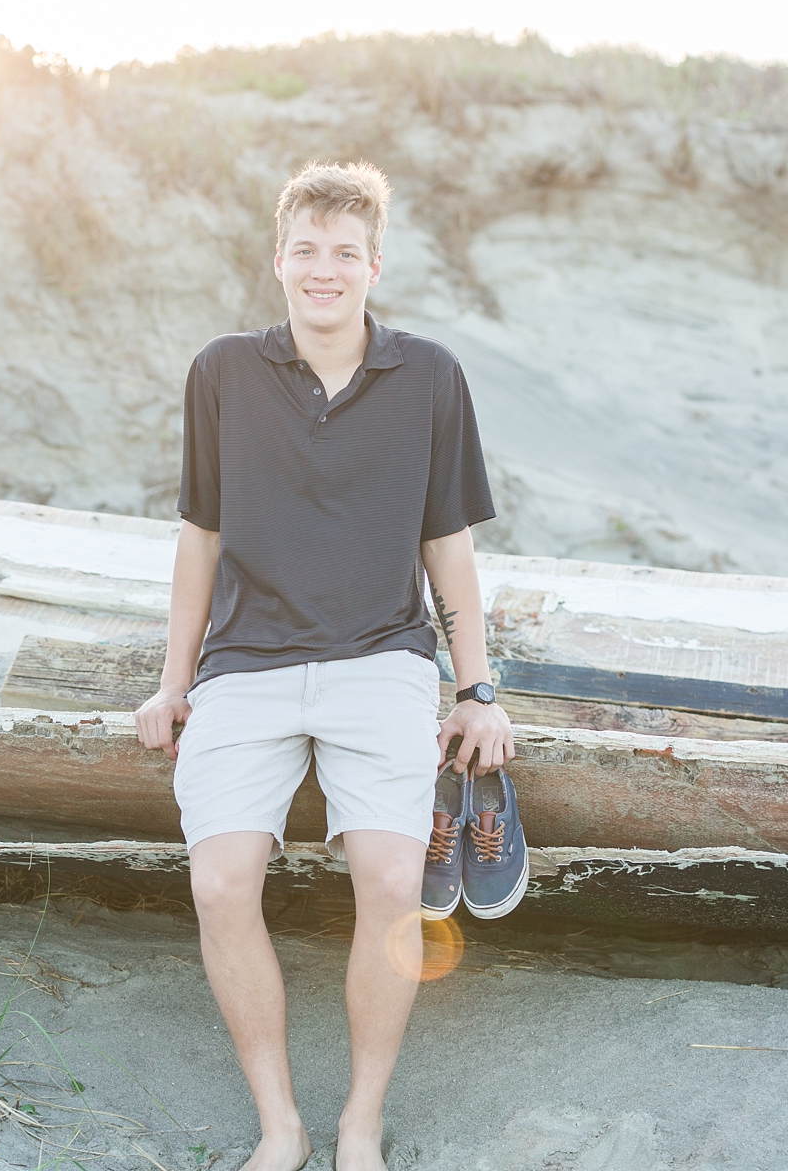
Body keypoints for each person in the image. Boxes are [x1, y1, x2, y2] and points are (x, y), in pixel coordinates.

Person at [134, 161, 516, 1171]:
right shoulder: (222, 372)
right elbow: (199, 539)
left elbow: (451, 545)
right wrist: (174, 681)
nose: (324, 270)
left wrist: (477, 688)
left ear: (373, 266)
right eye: (306, 250)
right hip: (245, 667)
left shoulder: (429, 376)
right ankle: (281, 1125)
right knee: (221, 884)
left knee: (393, 880)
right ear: (279, 261)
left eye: (345, 253)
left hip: (381, 663)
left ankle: (359, 1123)